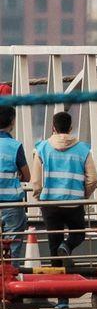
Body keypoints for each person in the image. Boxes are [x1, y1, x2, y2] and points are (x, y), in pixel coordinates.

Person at [32, 111, 97, 308]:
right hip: (74, 203)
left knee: (54, 250)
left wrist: (39, 195)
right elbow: (93, 179)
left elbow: (35, 181)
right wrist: (83, 195)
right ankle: (68, 247)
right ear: (70, 128)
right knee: (78, 235)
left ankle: (62, 300)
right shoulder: (83, 149)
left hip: (50, 204)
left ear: (53, 127)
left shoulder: (42, 147)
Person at [0, 106, 30, 261]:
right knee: (13, 248)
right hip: (12, 203)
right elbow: (27, 176)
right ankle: (10, 279)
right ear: (12, 121)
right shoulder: (15, 146)